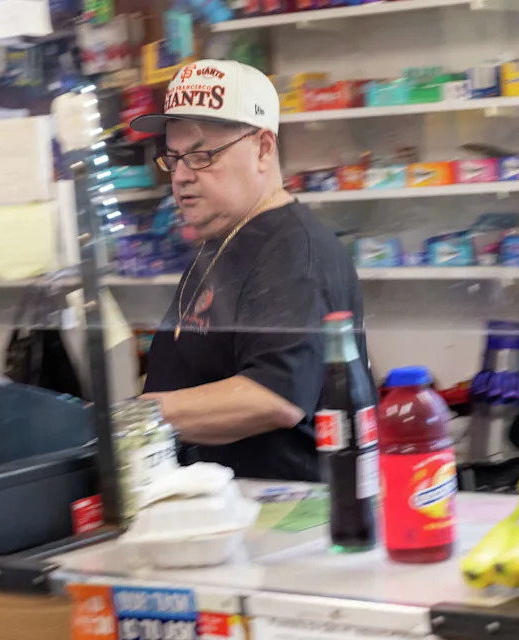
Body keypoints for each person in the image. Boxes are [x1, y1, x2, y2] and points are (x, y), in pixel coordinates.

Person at [132, 59, 370, 481]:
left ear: (263, 148)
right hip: (222, 507)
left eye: (202, 155)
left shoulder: (292, 248)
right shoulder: (220, 243)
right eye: (173, 157)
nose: (182, 176)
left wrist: (127, 423)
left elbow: (274, 397)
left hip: (287, 516)